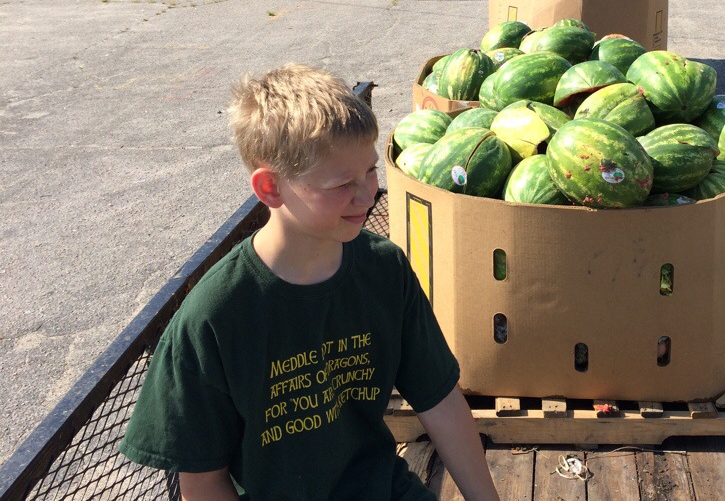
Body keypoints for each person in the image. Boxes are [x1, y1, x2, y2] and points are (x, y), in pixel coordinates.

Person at [120, 64, 499, 501]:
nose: (368, 194)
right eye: (342, 183)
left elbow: (441, 401)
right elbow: (203, 482)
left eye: (371, 171)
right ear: (270, 188)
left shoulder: (385, 269)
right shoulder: (214, 317)